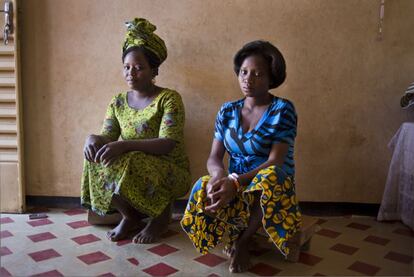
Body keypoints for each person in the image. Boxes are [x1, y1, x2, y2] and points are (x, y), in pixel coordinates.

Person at [181, 40, 302, 273]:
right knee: (204, 183)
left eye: (258, 74)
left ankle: (242, 242)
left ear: (271, 78)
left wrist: (236, 182)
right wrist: (218, 176)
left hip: (271, 184)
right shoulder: (227, 110)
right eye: (244, 72)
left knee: (270, 177)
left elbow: (275, 161)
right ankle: (230, 232)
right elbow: (214, 157)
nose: (248, 79)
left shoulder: (283, 110)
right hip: (234, 180)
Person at [81, 18, 191, 244]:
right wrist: (93, 139)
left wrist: (125, 145)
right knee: (94, 157)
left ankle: (160, 217)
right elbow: (108, 137)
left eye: (139, 68)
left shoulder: (168, 98)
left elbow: (167, 143)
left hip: (170, 169)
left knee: (133, 160)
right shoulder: (118, 102)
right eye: (127, 67)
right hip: (134, 163)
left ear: (154, 71)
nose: (131, 73)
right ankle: (129, 217)